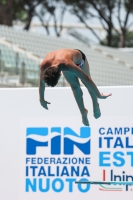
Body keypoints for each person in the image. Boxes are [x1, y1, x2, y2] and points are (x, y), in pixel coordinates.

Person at [39, 48, 112, 126]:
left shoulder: (67, 65)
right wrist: (41, 99)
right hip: (63, 60)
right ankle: (83, 112)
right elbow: (41, 82)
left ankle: (95, 104)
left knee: (86, 83)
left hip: (79, 61)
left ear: (60, 74)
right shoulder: (44, 65)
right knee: (75, 87)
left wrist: (99, 95)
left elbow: (86, 79)